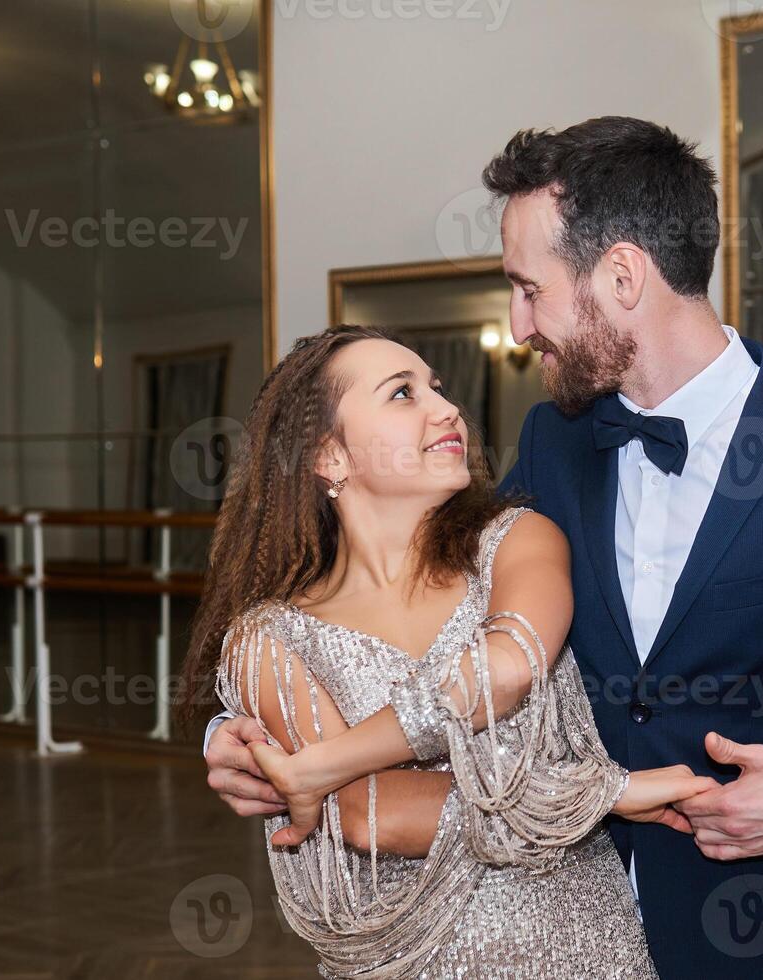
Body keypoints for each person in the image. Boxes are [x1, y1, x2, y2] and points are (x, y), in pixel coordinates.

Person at [203, 117, 763, 977]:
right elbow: (431, 608)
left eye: (530, 288)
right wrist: (252, 726)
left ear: (622, 275)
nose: (519, 327)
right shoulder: (554, 445)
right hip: (547, 927)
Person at [180, 324, 718, 979]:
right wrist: (599, 797)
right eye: (402, 394)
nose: (447, 408)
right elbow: (367, 815)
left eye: (437, 386)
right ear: (330, 456)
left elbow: (509, 667)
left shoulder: (517, 541)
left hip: (586, 951)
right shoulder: (268, 640)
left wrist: (320, 764)